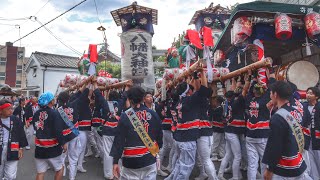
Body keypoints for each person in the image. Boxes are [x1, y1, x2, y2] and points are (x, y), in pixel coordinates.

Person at [111, 86, 163, 180]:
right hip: (149, 158)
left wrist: (115, 161)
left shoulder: (125, 116)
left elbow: (119, 140)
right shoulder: (153, 114)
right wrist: (156, 151)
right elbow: (159, 136)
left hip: (131, 162)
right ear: (143, 98)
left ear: (130, 99)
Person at [165, 68, 209, 180]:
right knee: (187, 165)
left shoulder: (178, 101)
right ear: (188, 91)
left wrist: (191, 78)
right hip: (187, 138)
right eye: (190, 89)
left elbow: (188, 90)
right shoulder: (190, 101)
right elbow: (203, 90)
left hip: (180, 137)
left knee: (181, 163)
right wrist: (201, 74)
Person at [262, 81, 310, 179]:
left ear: (275, 94)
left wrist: (269, 169)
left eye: (271, 93)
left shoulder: (278, 118)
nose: (270, 96)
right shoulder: (295, 110)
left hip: (284, 169)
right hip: (298, 161)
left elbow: (275, 146)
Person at [93, 80, 129, 180]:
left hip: (107, 131)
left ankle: (108, 174)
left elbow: (97, 94)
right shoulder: (121, 103)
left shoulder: (105, 103)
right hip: (118, 131)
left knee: (108, 152)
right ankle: (119, 172)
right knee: (119, 152)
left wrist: (94, 83)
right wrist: (126, 86)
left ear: (109, 97)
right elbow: (125, 95)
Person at [218, 76, 250, 180]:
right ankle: (236, 177)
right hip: (233, 131)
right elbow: (245, 89)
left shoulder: (226, 101)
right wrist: (247, 78)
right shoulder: (237, 101)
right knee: (238, 156)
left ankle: (220, 174)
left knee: (228, 155)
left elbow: (230, 91)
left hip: (228, 130)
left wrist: (228, 82)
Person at [33, 92, 67, 180]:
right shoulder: (54, 113)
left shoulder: (36, 113)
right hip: (53, 148)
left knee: (40, 172)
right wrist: (63, 143)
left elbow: (35, 127)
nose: (54, 100)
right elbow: (58, 130)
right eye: (53, 99)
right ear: (50, 101)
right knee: (60, 169)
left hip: (39, 147)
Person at [57, 85, 87, 180]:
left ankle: (62, 174)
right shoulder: (74, 104)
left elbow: (57, 128)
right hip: (73, 134)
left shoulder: (57, 111)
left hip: (63, 137)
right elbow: (79, 93)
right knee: (73, 159)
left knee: (62, 158)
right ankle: (72, 178)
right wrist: (85, 83)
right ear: (68, 98)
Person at [0, 99, 28, 180]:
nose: (11, 111)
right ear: (1, 110)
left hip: (13, 148)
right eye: (8, 109)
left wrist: (21, 148)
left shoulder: (16, 120)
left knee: (10, 176)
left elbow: (21, 134)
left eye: (12, 108)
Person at [306, 87, 320, 179]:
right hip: (308, 138)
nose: (308, 94)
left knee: (318, 159)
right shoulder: (304, 106)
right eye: (307, 93)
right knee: (311, 161)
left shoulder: (318, 106)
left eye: (311, 93)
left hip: (317, 139)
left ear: (317, 96)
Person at [210, 96, 225, 161]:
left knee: (215, 142)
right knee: (221, 143)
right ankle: (222, 155)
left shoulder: (218, 109)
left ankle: (214, 155)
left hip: (217, 128)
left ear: (217, 102)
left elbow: (213, 115)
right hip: (221, 128)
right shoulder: (221, 108)